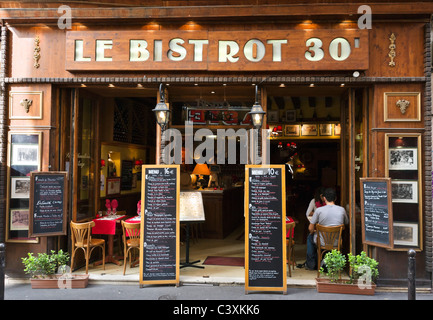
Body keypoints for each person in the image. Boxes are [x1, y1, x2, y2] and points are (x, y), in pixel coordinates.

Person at [305, 187, 349, 270]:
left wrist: (314, 231)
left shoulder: (319, 210)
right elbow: (346, 223)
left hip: (321, 242)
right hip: (337, 242)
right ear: (336, 198)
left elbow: (310, 228)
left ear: (324, 198)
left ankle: (311, 264)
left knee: (310, 237)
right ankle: (329, 263)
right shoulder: (342, 210)